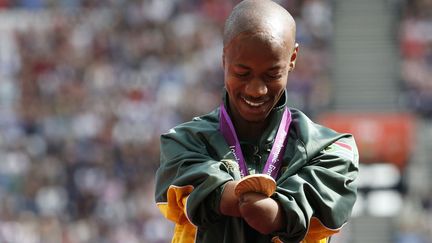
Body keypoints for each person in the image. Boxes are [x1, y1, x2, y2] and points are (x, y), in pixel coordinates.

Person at [154, 0, 359, 242]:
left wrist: (272, 210)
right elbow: (187, 188)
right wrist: (237, 197)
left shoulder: (330, 150)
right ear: (224, 57)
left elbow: (319, 208)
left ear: (292, 58)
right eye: (242, 73)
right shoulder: (183, 142)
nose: (256, 90)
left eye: (272, 74)